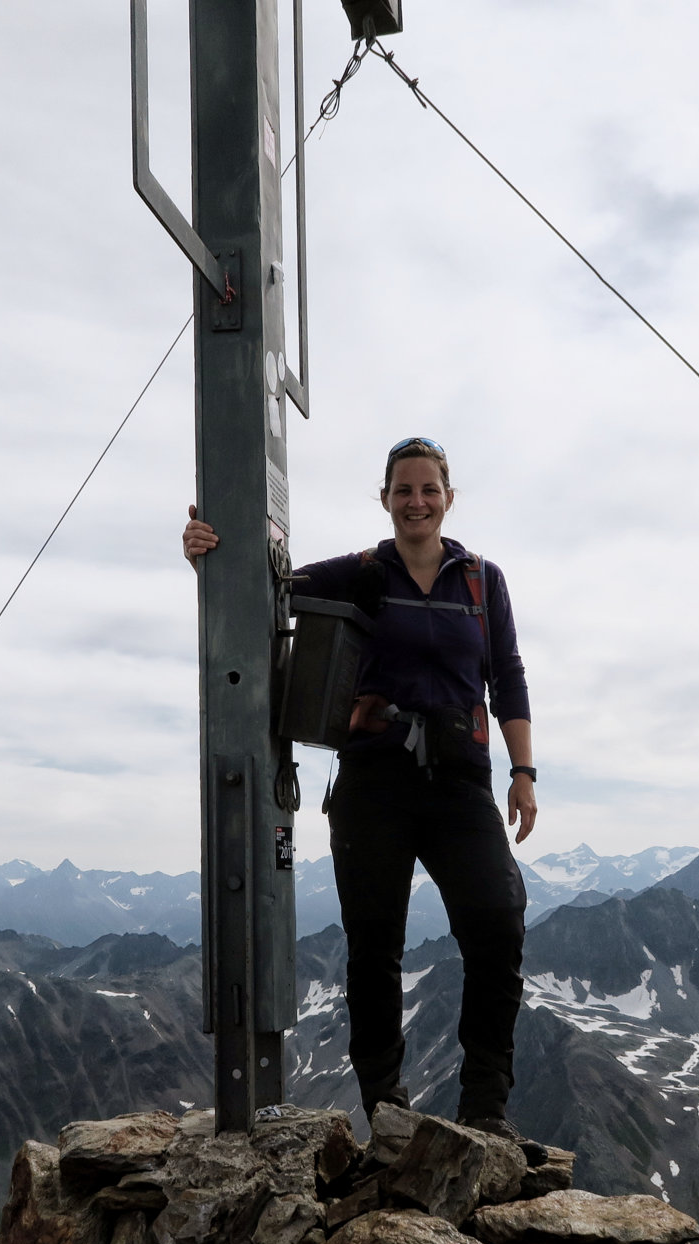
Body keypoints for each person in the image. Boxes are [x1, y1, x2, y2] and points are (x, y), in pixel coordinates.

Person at [182, 436, 543, 1148]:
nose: (417, 502)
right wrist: (207, 551)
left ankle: (485, 1107)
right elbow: (268, 589)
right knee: (374, 943)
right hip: (374, 780)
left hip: (461, 779)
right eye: (403, 490)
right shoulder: (359, 574)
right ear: (385, 499)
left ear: (448, 498)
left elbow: (508, 675)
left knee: (498, 921)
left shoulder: (482, 581)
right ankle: (386, 1107)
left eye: (429, 490)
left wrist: (523, 772)